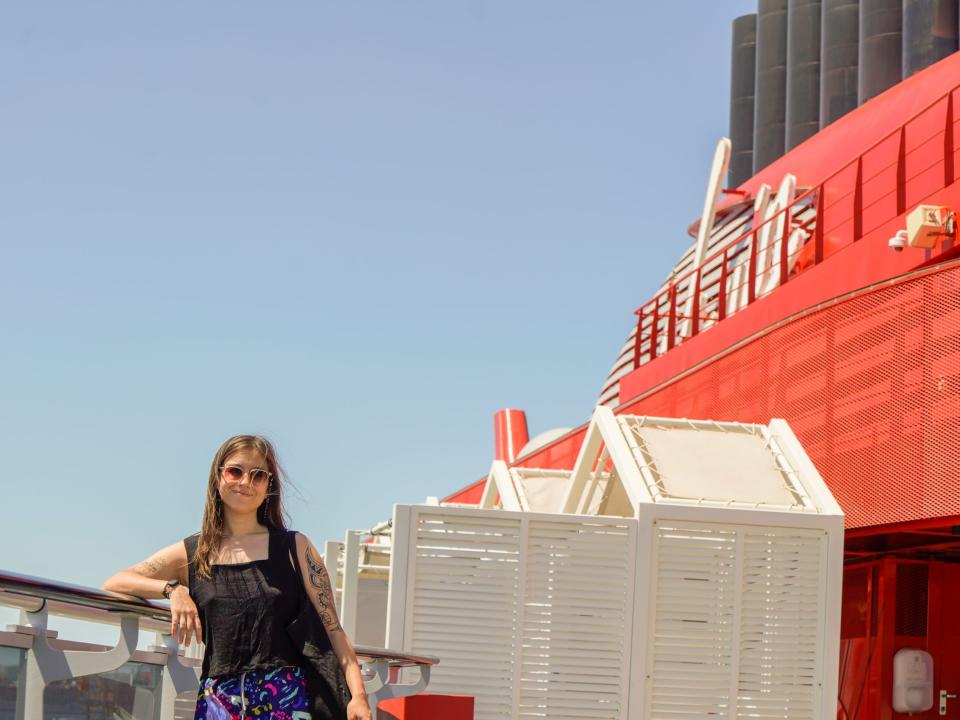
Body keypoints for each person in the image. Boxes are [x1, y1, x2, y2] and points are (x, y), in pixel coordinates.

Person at [103, 435, 373, 720]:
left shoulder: (296, 548)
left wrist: (358, 697)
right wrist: (173, 591)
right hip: (219, 701)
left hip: (285, 698)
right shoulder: (194, 552)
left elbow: (333, 630)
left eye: (257, 475)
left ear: (268, 486)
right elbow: (116, 582)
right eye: (235, 471)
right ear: (218, 478)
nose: (245, 482)